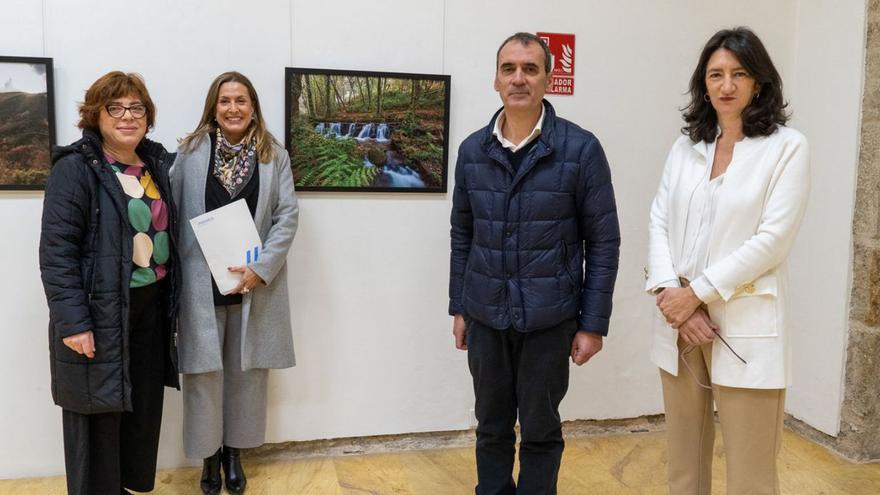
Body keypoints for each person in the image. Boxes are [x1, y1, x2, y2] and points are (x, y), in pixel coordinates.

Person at [449, 32, 620, 495]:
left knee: (542, 431)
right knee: (491, 427)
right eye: (509, 69)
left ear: (548, 79)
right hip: (485, 315)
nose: (519, 78)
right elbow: (462, 234)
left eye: (530, 69)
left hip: (550, 318)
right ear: (496, 80)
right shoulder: (471, 151)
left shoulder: (581, 150)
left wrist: (593, 323)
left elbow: (603, 242)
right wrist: (459, 307)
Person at [645, 27, 810, 495]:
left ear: (759, 82)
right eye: (715, 74)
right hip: (679, 321)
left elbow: (772, 240)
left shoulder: (787, 147)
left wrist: (697, 294)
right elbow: (658, 220)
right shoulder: (686, 147)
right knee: (684, 466)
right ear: (704, 84)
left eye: (739, 73)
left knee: (751, 474)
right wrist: (673, 298)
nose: (726, 85)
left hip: (742, 323)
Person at [39, 71, 179, 495]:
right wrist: (73, 323)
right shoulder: (76, 169)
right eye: (115, 107)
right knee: (97, 415)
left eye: (136, 108)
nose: (127, 116)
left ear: (148, 116)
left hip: (149, 309)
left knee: (139, 413)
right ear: (95, 115)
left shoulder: (156, 164)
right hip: (98, 313)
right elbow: (57, 253)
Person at [171, 71, 299, 495]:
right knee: (204, 375)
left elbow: (287, 216)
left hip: (251, 285)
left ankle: (234, 453)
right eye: (225, 100)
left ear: (253, 106)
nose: (233, 108)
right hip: (200, 287)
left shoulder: (272, 155)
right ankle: (208, 456)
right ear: (213, 106)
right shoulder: (189, 153)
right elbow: (170, 213)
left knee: (246, 374)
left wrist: (261, 268)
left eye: (241, 100)